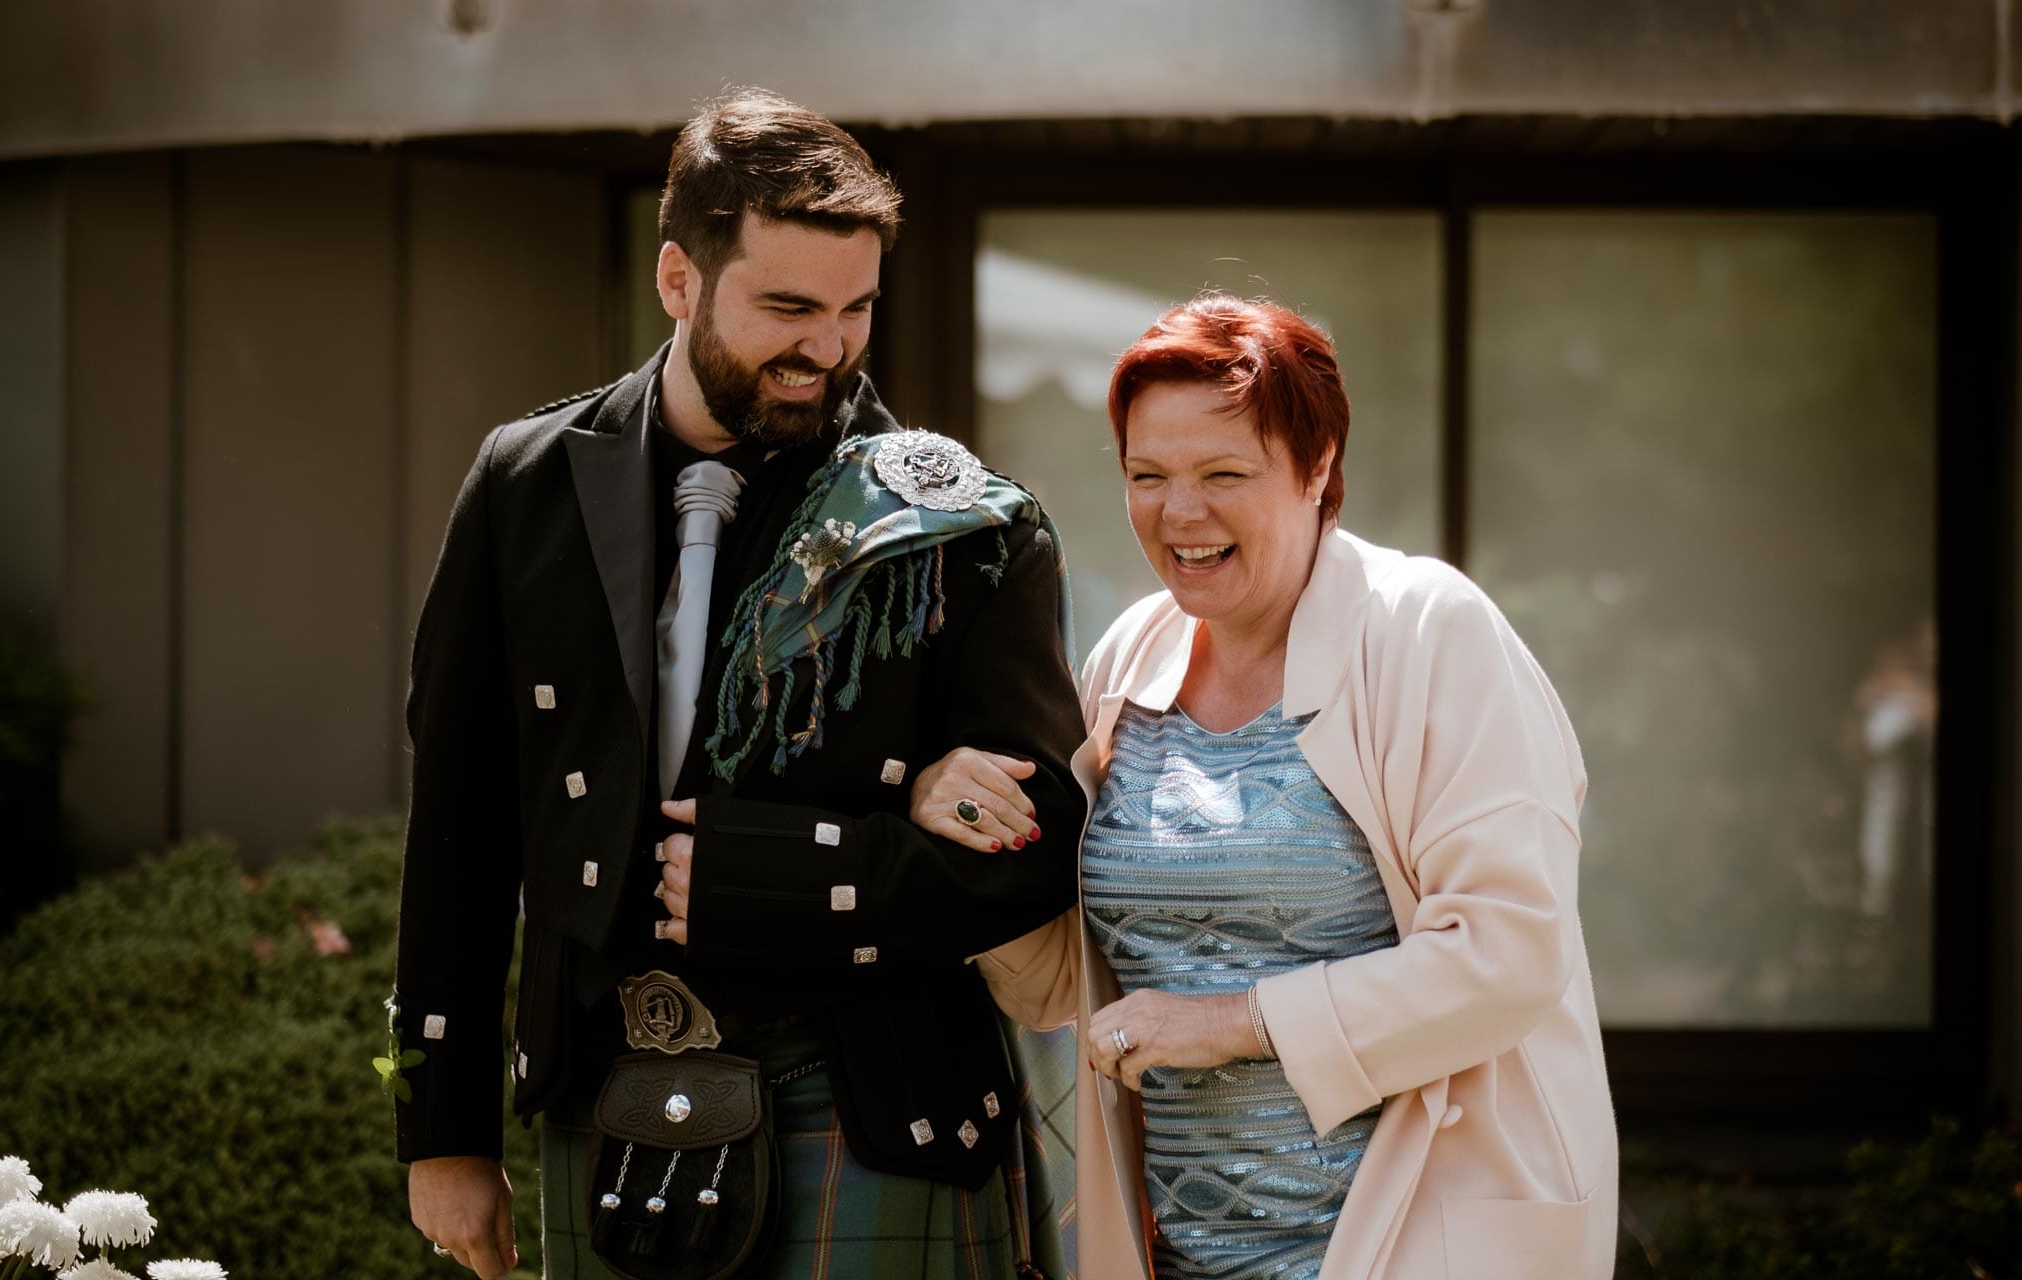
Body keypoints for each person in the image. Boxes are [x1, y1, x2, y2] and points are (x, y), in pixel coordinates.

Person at [389, 87, 1084, 1280]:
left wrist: (803, 879)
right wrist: (441, 1129)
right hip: (601, 1086)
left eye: (856, 307)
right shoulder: (527, 483)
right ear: (677, 277)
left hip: (870, 1094)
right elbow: (457, 826)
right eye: (787, 307)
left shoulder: (959, 526)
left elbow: (1039, 844)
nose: (827, 345)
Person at [912, 295, 1619, 1279]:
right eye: (1146, 475)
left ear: (1316, 467)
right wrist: (968, 829)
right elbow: (1057, 983)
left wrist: (1224, 1024)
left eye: (1221, 474)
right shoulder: (1126, 657)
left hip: (1413, 1236)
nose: (1178, 512)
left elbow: (1509, 950)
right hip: (1179, 1255)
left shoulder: (1428, 629)